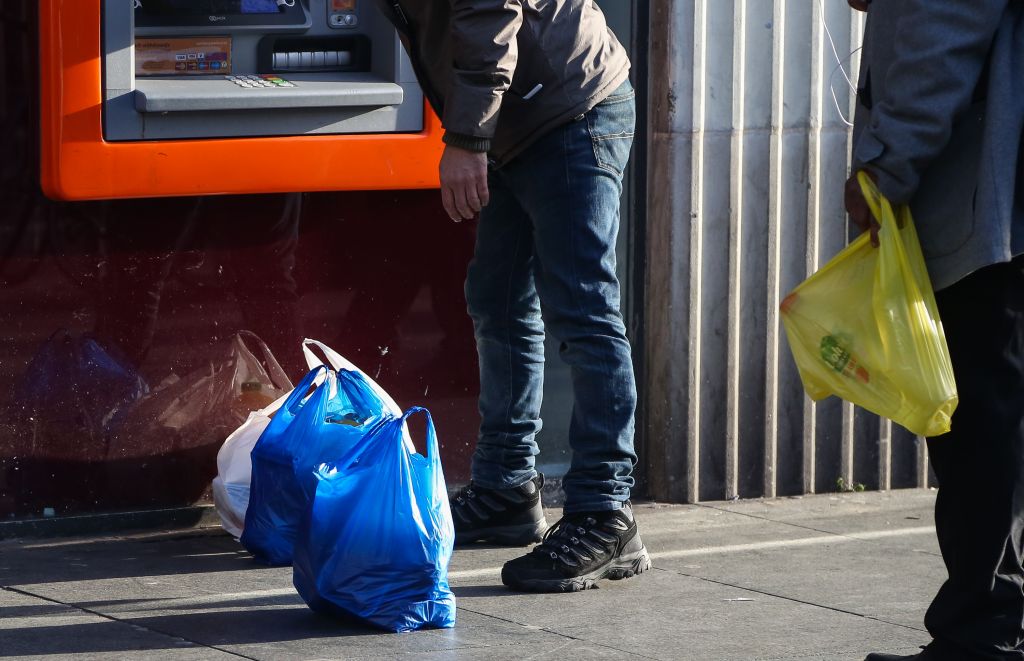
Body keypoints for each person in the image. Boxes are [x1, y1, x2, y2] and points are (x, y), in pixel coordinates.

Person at [373, 0, 649, 593]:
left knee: (583, 309)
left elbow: (488, 16)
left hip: (569, 108)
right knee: (496, 300)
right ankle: (505, 488)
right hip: (513, 119)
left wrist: (468, 138)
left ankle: (606, 513)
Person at [844, 1, 1024, 659]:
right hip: (988, 188)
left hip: (984, 192)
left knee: (981, 421)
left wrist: (886, 162)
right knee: (990, 416)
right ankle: (988, 623)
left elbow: (940, 30)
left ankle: (986, 632)